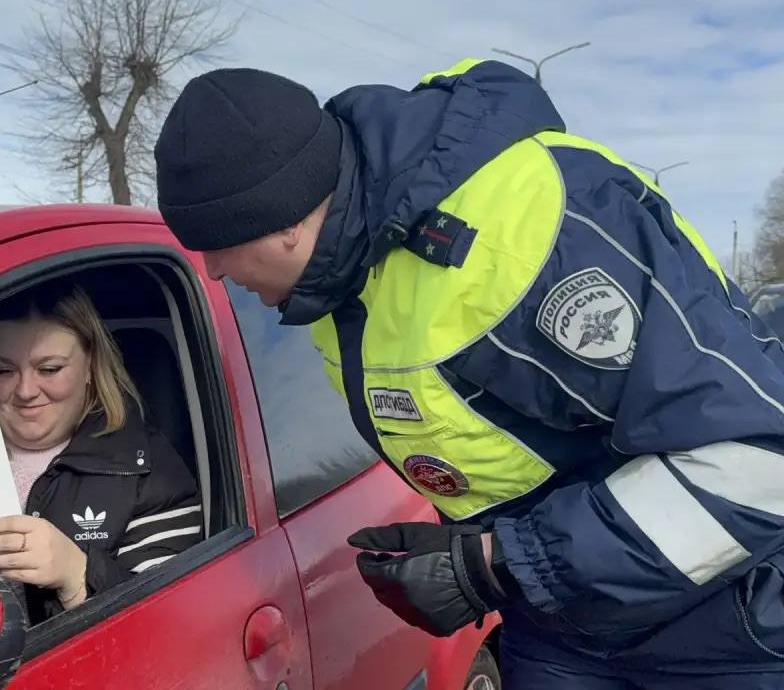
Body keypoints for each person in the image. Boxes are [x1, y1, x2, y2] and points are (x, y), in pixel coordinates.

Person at [152, 58, 784, 688]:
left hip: (724, 625)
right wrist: (463, 543)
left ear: (283, 219)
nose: (211, 272)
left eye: (218, 246)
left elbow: (758, 465)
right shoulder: (341, 280)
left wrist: (496, 563)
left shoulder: (537, 235)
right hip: (563, 626)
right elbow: (528, 433)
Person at [0, 280, 202, 624]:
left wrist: (77, 574)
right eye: (3, 370)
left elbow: (170, 624)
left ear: (91, 368)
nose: (25, 390)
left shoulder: (146, 472)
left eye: (49, 369)